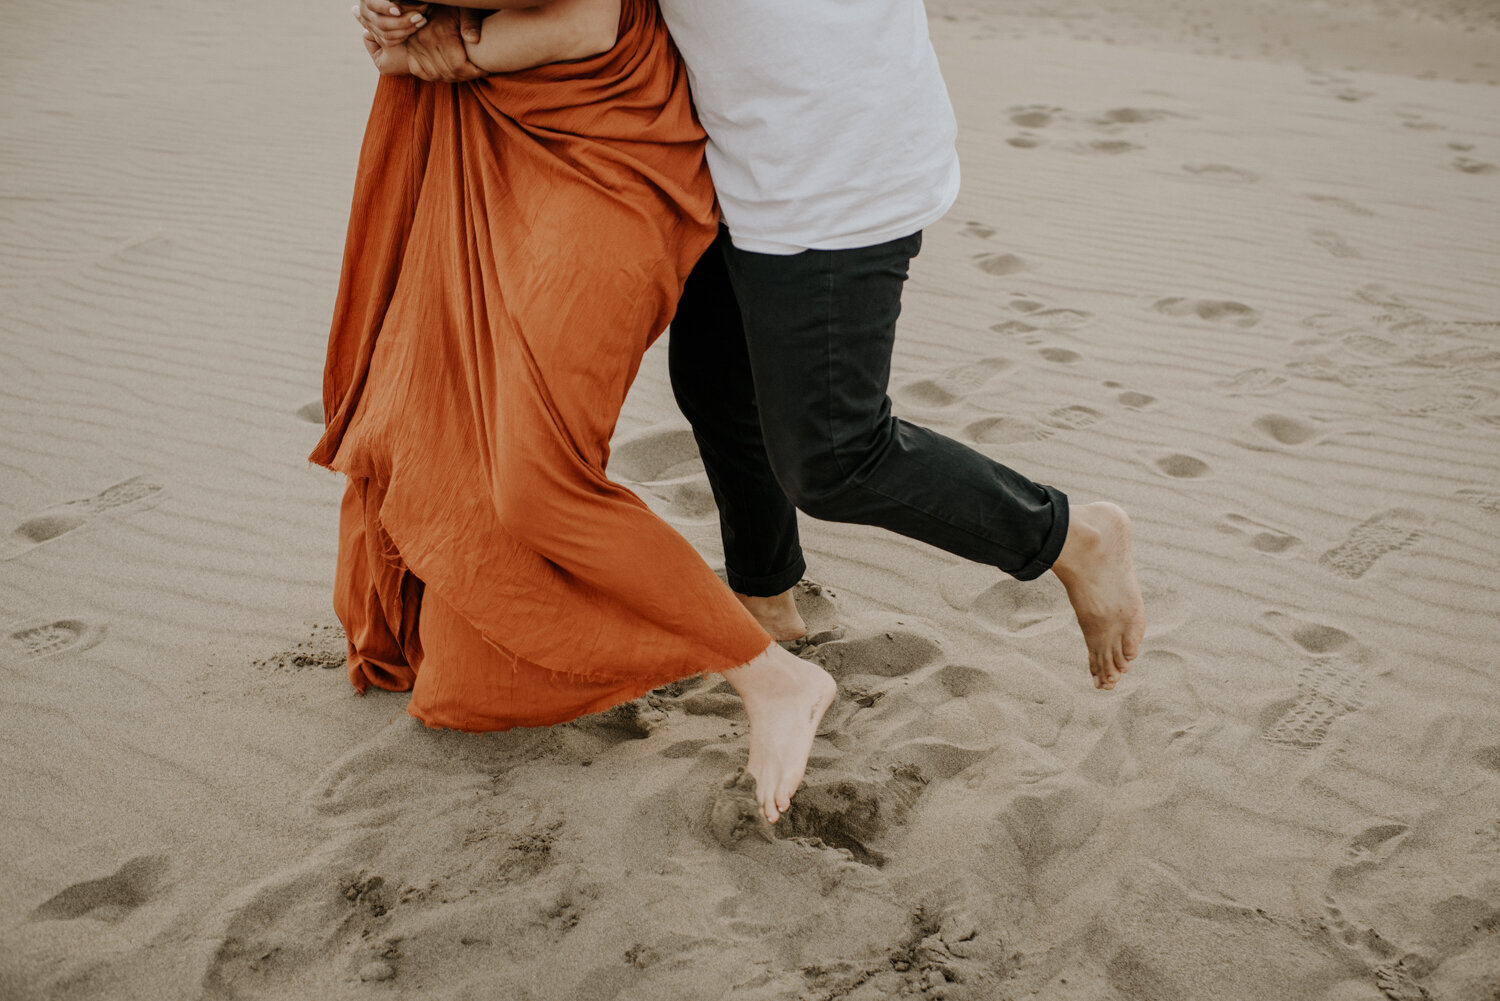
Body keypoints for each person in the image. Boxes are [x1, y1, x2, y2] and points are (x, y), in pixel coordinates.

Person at [319, 0, 835, 826]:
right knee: (462, 424)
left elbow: (589, 22)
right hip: (489, 134)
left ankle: (773, 675)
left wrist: (437, 52)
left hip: (610, 145)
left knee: (534, 480)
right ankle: (753, 631)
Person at [656, 0, 1149, 693]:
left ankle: (1072, 536)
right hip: (741, 140)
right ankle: (765, 600)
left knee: (836, 454)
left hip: (831, 159)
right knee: (715, 378)